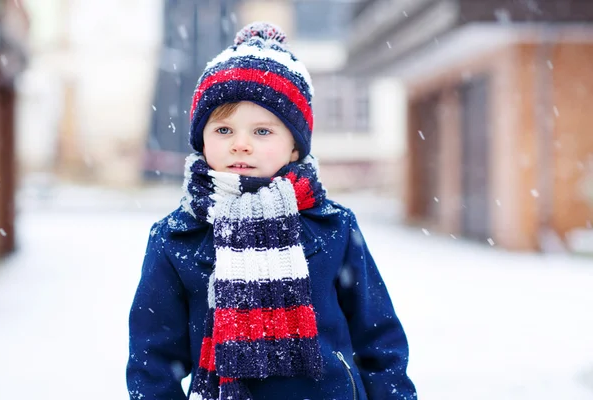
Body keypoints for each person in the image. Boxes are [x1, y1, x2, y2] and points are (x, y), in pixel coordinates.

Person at [126, 21, 417, 400]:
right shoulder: (176, 236)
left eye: (262, 131)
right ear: (201, 139)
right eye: (224, 130)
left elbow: (379, 339)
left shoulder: (333, 228)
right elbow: (152, 362)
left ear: (294, 147)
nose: (241, 145)